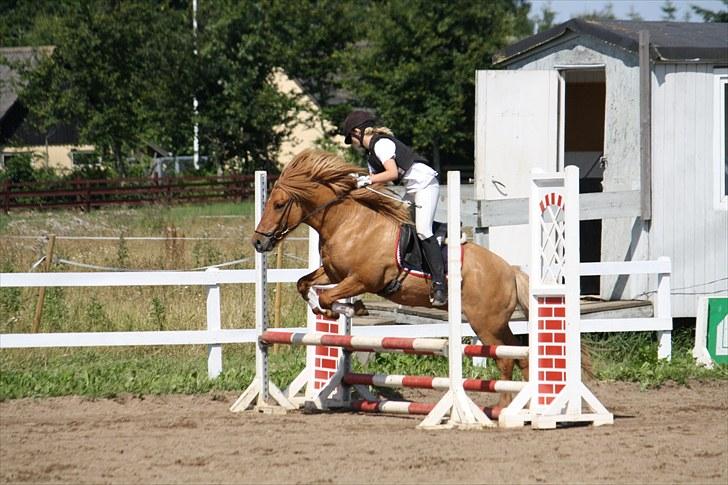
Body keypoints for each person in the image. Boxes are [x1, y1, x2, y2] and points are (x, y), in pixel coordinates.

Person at [342, 110, 447, 306]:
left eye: (351, 138)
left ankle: (440, 285)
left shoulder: (381, 144)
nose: (352, 143)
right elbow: (376, 185)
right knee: (398, 226)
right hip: (412, 188)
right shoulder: (371, 156)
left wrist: (367, 179)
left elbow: (390, 173)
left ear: (357, 131)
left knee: (423, 230)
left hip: (424, 184)